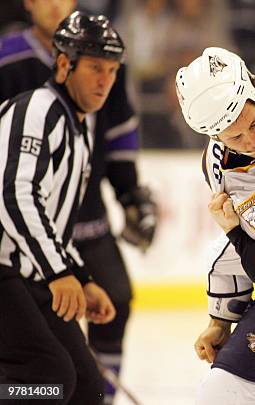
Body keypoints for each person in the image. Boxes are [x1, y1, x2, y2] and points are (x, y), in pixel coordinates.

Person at [0, 2, 158, 402]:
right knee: (48, 377)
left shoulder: (79, 127)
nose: (105, 81)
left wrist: (82, 279)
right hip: (8, 269)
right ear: (64, 65)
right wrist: (59, 273)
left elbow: (53, 223)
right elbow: (15, 196)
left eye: (112, 70)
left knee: (86, 383)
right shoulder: (37, 111)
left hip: (26, 269)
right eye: (94, 68)